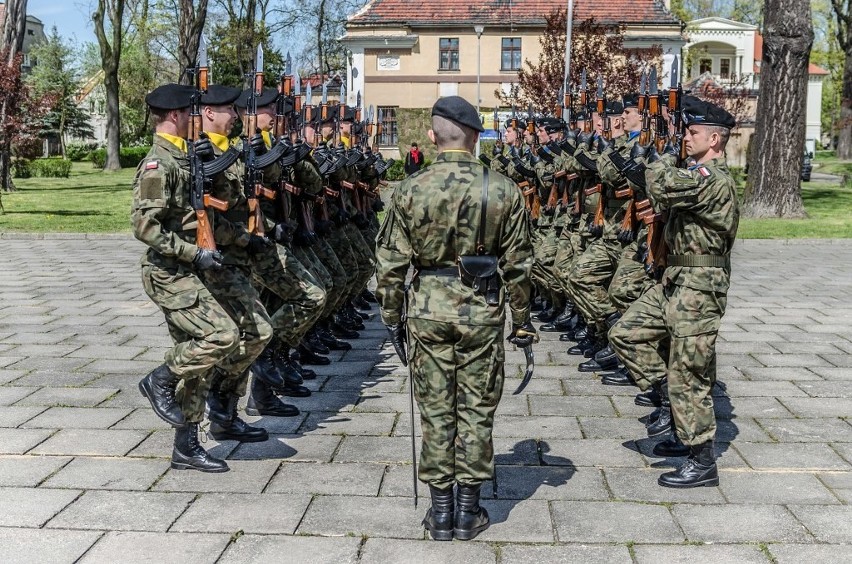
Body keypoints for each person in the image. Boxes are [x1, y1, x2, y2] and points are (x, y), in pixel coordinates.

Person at [375, 95, 535, 541]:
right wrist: (521, 321)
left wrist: (392, 316)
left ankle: (440, 513)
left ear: (432, 136)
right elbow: (521, 266)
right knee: (477, 410)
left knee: (437, 410)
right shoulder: (503, 189)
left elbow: (388, 265)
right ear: (476, 135)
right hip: (482, 310)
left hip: (427, 310)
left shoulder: (409, 189)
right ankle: (469, 511)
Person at [608, 97, 739, 488]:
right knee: (624, 333)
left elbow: (661, 183)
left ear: (715, 139)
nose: (685, 137)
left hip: (700, 288)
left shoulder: (712, 179)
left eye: (693, 132)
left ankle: (701, 459)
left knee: (690, 373)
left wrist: (658, 156)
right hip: (675, 280)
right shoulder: (696, 171)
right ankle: (671, 403)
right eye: (684, 131)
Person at [133, 83, 239, 473]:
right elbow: (144, 227)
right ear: (177, 116)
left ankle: (186, 445)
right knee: (221, 336)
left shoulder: (184, 158)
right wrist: (194, 252)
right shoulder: (158, 165)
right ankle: (159, 379)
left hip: (190, 269)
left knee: (199, 358)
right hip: (168, 272)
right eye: (193, 114)